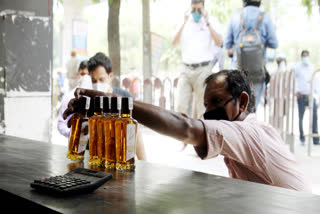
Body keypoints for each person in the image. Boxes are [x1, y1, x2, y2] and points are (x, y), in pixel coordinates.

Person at [64, 69, 311, 192]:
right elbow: (184, 123)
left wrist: (107, 100)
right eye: (206, 105)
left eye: (216, 102)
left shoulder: (249, 133)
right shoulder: (249, 131)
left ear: (242, 102)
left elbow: (186, 128)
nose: (209, 111)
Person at [60, 53, 147, 160]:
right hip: (94, 160)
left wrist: (144, 162)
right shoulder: (88, 102)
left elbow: (136, 131)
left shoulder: (124, 98)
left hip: (119, 161)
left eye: (101, 80)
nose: (97, 84)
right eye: (94, 81)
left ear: (110, 76)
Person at [172, 0, 223, 119]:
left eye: (198, 10)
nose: (196, 12)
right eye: (193, 9)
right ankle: (182, 136)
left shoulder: (211, 21)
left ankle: (202, 136)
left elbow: (219, 42)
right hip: (186, 68)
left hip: (203, 69)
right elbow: (174, 42)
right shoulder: (185, 22)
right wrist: (183, 22)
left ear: (203, 9)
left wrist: (207, 22)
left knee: (203, 109)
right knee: (180, 107)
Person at [224, 0, 278, 110]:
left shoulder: (235, 17)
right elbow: (274, 43)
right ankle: (249, 125)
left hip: (238, 70)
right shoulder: (265, 17)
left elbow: (227, 44)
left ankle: (237, 126)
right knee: (251, 109)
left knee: (237, 107)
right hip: (257, 72)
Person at [294, 50, 319, 145]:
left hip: (310, 95)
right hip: (301, 95)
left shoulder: (312, 67)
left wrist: (316, 95)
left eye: (307, 56)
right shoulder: (297, 68)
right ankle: (302, 137)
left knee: (314, 116)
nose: (305, 58)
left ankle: (315, 138)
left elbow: (315, 81)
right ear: (301, 57)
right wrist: (296, 92)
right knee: (301, 117)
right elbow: (294, 80)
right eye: (304, 56)